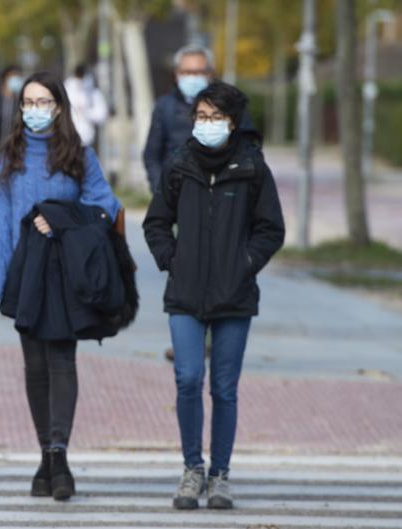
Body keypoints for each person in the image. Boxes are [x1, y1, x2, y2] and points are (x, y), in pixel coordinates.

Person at [0, 71, 121, 502]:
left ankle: (57, 457)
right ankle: (48, 457)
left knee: (61, 360)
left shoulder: (78, 154)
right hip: (25, 275)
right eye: (28, 103)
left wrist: (60, 217)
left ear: (59, 106)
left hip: (65, 274)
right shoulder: (11, 156)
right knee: (35, 367)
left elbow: (104, 204)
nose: (35, 110)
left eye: (44, 102)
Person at [142, 82, 284, 511]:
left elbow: (271, 229)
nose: (207, 124)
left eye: (215, 117)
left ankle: (220, 474)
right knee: (187, 379)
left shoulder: (252, 167)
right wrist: (171, 258)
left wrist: (245, 263)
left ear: (234, 122)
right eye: (201, 116)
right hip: (184, 292)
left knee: (224, 387)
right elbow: (156, 222)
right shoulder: (180, 164)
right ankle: (192, 469)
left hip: (234, 294)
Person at [143, 44, 216, 194]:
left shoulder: (229, 104)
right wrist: (160, 191)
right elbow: (152, 155)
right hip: (176, 193)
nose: (193, 78)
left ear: (210, 74)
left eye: (198, 72)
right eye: (187, 72)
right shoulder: (165, 107)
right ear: (177, 74)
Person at [63, 63, 108, 148]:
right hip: (68, 139)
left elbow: (102, 114)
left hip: (87, 138)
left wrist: (87, 113)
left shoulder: (93, 92)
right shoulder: (66, 89)